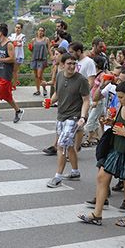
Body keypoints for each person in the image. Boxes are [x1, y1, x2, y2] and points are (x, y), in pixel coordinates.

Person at [78, 80, 125, 227]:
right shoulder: (121, 107)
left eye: (122, 97)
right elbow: (118, 126)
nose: (119, 100)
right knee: (102, 177)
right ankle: (97, 214)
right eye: (118, 96)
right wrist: (110, 122)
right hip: (116, 150)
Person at [47, 53, 90, 186]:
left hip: (74, 117)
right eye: (69, 63)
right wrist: (49, 101)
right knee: (69, 145)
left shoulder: (81, 80)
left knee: (61, 146)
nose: (72, 66)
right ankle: (75, 172)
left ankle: (57, 177)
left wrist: (83, 117)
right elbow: (57, 93)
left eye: (74, 63)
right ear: (63, 64)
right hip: (61, 116)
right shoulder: (59, 76)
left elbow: (86, 100)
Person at [0, 24, 24, 123]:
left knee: (6, 95)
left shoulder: (9, 44)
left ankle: (18, 110)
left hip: (5, 74)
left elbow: (12, 59)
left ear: (1, 32)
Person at [29, 26, 50, 96]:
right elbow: (32, 49)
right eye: (39, 30)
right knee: (36, 76)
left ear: (44, 32)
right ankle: (38, 90)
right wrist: (30, 48)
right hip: (34, 58)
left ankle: (44, 88)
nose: (40, 32)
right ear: (37, 31)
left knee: (39, 75)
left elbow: (49, 49)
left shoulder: (46, 39)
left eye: (42, 31)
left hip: (42, 59)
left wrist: (51, 56)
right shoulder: (33, 40)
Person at [11, 22, 25, 87]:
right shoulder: (12, 35)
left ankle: (14, 85)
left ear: (21, 29)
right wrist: (16, 41)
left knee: (15, 70)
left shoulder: (23, 36)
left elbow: (21, 44)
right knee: (12, 70)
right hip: (12, 55)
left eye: (19, 28)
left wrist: (14, 42)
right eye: (16, 27)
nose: (17, 29)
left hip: (19, 56)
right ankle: (15, 81)